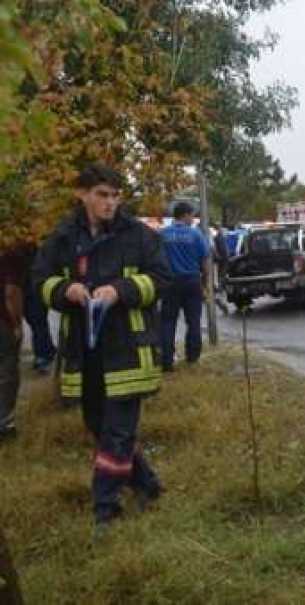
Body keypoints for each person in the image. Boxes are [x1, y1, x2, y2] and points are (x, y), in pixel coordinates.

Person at [32, 163, 170, 529]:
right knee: (99, 425)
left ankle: (105, 510)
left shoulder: (139, 236)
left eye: (115, 195)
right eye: (102, 195)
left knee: (118, 431)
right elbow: (40, 281)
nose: (110, 203)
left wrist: (121, 290)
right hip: (85, 352)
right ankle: (147, 485)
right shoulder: (62, 238)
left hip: (128, 350)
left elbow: (161, 279)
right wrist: (66, 290)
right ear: (82, 194)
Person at [159, 202, 210, 371]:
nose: (193, 219)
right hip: (191, 282)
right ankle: (192, 356)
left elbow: (156, 260)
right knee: (194, 321)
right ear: (186, 215)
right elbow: (204, 261)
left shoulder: (162, 234)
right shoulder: (195, 235)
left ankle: (166, 360)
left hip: (169, 283)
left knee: (167, 322)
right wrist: (205, 284)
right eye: (192, 215)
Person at [0, 248, 26, 442]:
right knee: (7, 373)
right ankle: (4, 423)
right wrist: (16, 323)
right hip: (3, 323)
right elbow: (11, 293)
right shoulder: (11, 256)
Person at [22, 245, 57, 372]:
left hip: (31, 290)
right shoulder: (35, 252)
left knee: (37, 321)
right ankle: (45, 352)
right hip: (32, 290)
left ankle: (44, 353)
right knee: (38, 321)